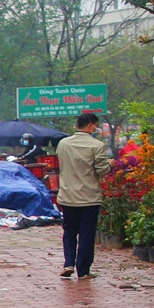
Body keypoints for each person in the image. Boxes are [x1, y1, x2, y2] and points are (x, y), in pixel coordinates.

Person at [55, 111, 112, 280]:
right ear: (90, 126)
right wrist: (110, 164)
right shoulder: (96, 146)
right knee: (86, 233)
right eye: (95, 126)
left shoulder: (63, 144)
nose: (96, 129)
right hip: (89, 197)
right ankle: (84, 270)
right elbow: (102, 170)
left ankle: (68, 263)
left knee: (69, 231)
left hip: (68, 196)